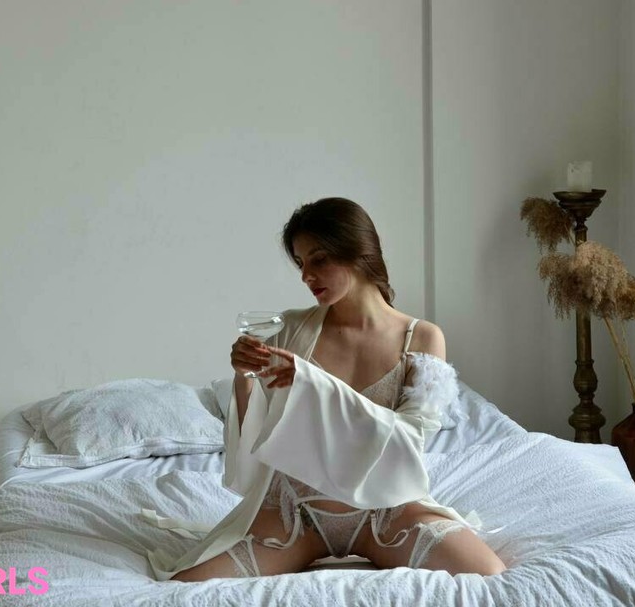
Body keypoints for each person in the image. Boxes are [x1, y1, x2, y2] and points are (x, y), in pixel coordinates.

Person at [155, 198, 505, 580]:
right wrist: (245, 375)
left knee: (487, 571)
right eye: (301, 263)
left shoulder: (421, 338)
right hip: (296, 514)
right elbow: (255, 435)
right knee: (186, 583)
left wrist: (310, 382)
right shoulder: (289, 328)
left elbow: (408, 443)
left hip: (385, 513)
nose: (307, 276)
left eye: (319, 259)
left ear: (358, 251)